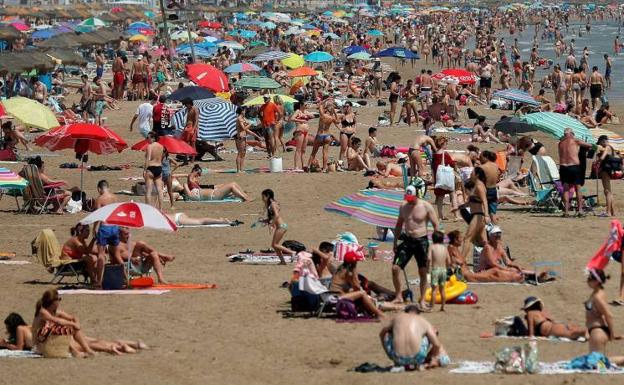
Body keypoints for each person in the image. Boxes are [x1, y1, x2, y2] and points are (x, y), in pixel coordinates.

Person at [392, 185, 440, 310]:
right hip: (407, 240)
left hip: (422, 241)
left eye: (411, 197)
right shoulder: (403, 206)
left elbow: (436, 225)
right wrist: (395, 242)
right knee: (395, 268)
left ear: (416, 195)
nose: (409, 200)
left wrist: (436, 244)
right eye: (407, 197)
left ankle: (422, 300)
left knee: (423, 272)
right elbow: (399, 224)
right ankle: (398, 296)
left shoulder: (425, 206)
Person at [379, 305, 449, 370]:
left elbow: (382, 334)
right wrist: (434, 357)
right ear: (418, 313)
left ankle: (399, 357)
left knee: (389, 333)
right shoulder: (423, 320)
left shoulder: (397, 318)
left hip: (397, 358)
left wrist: (388, 353)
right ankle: (433, 360)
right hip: (417, 358)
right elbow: (436, 345)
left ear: (405, 312)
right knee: (433, 332)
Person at [32, 289, 95, 358]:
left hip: (49, 341)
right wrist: (73, 324)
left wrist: (77, 323)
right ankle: (75, 351)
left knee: (70, 327)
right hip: (39, 345)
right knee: (62, 327)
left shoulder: (54, 312)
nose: (59, 301)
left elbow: (73, 317)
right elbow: (56, 321)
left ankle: (87, 350)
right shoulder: (42, 312)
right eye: (59, 299)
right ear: (53, 301)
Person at [329, 251, 385, 319]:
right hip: (337, 298)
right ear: (352, 263)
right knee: (362, 293)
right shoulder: (348, 273)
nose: (357, 263)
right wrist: (355, 270)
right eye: (356, 262)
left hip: (333, 295)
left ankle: (374, 310)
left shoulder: (341, 268)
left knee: (361, 294)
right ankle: (378, 313)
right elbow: (357, 288)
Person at [89, 180, 120, 288]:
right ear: (108, 187)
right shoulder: (115, 198)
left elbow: (98, 215)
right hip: (115, 227)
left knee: (101, 255)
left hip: (105, 227)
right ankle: (124, 278)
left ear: (99, 189)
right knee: (116, 255)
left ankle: (99, 281)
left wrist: (94, 228)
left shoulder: (99, 199)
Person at [558, 128, 592, 217]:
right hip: (574, 166)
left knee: (565, 189)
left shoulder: (560, 143)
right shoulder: (575, 140)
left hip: (563, 167)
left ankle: (566, 212)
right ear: (572, 134)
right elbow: (589, 145)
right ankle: (580, 210)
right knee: (578, 188)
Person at [585, 269, 620, 356]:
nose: (587, 281)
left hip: (598, 333)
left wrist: (612, 334)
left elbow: (608, 315)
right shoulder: (596, 293)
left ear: (596, 281)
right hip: (595, 332)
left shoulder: (597, 297)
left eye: (589, 279)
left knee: (600, 364)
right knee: (596, 363)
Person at [522, 296, 586, 339]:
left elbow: (531, 332)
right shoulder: (543, 312)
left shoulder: (530, 313)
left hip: (550, 329)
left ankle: (585, 332)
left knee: (572, 334)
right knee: (574, 330)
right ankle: (589, 331)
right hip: (555, 325)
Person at [259, 189, 293, 265]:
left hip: (281, 226)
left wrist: (272, 224)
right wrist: (264, 221)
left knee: (275, 245)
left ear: (267, 196)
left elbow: (277, 215)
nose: (262, 199)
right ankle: (282, 261)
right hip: (281, 226)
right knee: (275, 245)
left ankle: (292, 252)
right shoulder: (272, 204)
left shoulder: (273, 204)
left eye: (263, 197)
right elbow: (273, 217)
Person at [182, 164, 251, 201]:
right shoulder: (191, 182)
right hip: (213, 195)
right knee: (232, 185)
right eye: (198, 173)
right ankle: (245, 198)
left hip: (214, 193)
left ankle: (245, 195)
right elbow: (190, 176)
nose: (199, 176)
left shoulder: (195, 190)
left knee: (234, 183)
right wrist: (197, 171)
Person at [432, 136, 459, 221]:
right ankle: (456, 215)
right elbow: (451, 164)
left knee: (440, 197)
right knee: (453, 195)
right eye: (446, 144)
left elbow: (433, 167)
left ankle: (440, 216)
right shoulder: (445, 154)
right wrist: (457, 169)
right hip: (446, 178)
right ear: (443, 144)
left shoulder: (435, 155)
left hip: (439, 178)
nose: (447, 145)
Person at [428, 231, 451, 311]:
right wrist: (448, 268)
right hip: (443, 270)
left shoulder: (432, 247)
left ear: (433, 239)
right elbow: (449, 260)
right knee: (442, 289)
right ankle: (443, 307)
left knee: (434, 290)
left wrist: (428, 267)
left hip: (435, 269)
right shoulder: (444, 248)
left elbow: (429, 258)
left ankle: (431, 307)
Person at [235, 107, 261, 173]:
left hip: (243, 137)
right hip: (240, 137)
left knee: (243, 153)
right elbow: (244, 128)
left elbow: (248, 130)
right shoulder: (239, 119)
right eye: (244, 110)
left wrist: (257, 136)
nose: (245, 112)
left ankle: (241, 169)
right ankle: (238, 170)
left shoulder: (243, 119)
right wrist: (249, 124)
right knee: (240, 153)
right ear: (242, 111)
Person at [289, 102, 313, 170]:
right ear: (301, 105)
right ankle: (296, 166)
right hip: (300, 131)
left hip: (306, 132)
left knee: (304, 150)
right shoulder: (297, 111)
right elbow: (291, 118)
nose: (306, 106)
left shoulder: (305, 111)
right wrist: (300, 119)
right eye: (305, 105)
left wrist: (306, 114)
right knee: (298, 149)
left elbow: (313, 116)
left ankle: (304, 165)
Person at [597, 135, 616, 217]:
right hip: (609, 170)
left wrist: (597, 161)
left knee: (607, 191)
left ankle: (608, 212)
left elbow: (602, 157)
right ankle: (612, 211)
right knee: (609, 191)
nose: (600, 145)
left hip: (605, 170)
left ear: (602, 141)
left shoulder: (607, 147)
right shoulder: (611, 147)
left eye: (600, 143)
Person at [144, 131, 164, 209]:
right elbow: (160, 158)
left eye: (148, 138)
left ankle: (148, 208)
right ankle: (161, 209)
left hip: (151, 168)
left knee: (148, 190)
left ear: (153, 138)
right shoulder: (161, 146)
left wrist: (144, 170)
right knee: (160, 190)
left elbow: (148, 159)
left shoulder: (150, 146)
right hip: (159, 168)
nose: (147, 139)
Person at [479, 150, 501, 223]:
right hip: (494, 190)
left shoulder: (482, 167)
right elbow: (498, 177)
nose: (479, 159)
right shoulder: (495, 166)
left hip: (485, 191)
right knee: (492, 213)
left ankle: (485, 231)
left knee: (483, 213)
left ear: (486, 157)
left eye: (481, 157)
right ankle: (495, 229)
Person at [165, 212, 234, 227]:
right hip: (178, 217)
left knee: (200, 221)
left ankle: (221, 221)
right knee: (200, 220)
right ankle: (219, 220)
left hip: (178, 219)